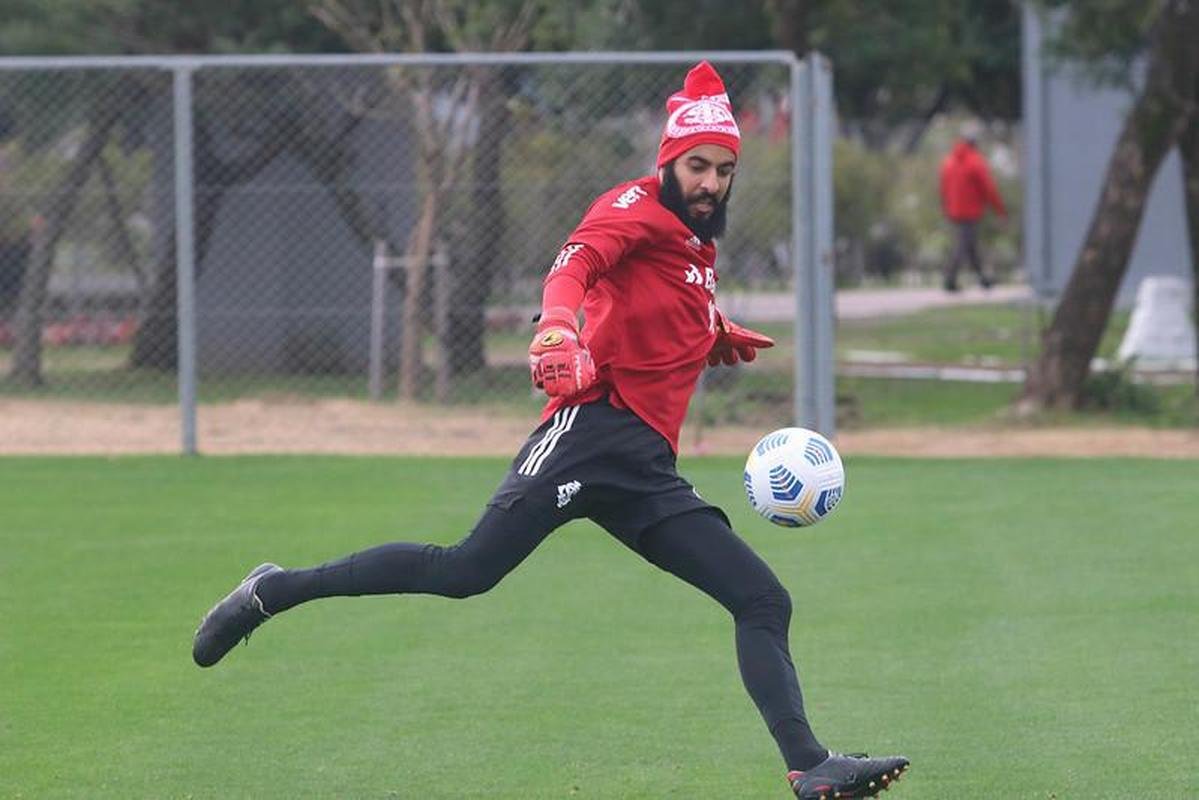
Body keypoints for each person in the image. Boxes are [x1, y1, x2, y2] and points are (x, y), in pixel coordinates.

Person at [192, 61, 909, 799]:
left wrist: (709, 330)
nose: (710, 183)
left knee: (761, 599)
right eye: (697, 166)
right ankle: (274, 592)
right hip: (588, 430)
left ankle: (809, 767)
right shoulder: (635, 205)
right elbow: (576, 263)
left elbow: (650, 300)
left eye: (724, 170)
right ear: (669, 161)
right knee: (465, 571)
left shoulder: (696, 245)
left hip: (643, 470)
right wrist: (556, 329)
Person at [939, 119, 1007, 292]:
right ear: (974, 141)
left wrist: (946, 206)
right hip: (970, 210)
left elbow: (943, 187)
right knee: (963, 245)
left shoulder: (949, 161)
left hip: (954, 209)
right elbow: (988, 188)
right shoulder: (975, 162)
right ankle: (950, 279)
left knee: (970, 245)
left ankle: (983, 279)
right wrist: (1000, 210)